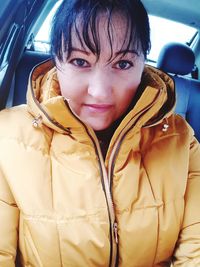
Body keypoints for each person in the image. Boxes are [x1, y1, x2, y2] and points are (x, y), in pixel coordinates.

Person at [0, 0, 200, 266]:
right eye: (80, 61)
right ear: (56, 61)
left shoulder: (181, 142)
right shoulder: (7, 139)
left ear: (143, 64)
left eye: (123, 64)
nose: (101, 92)